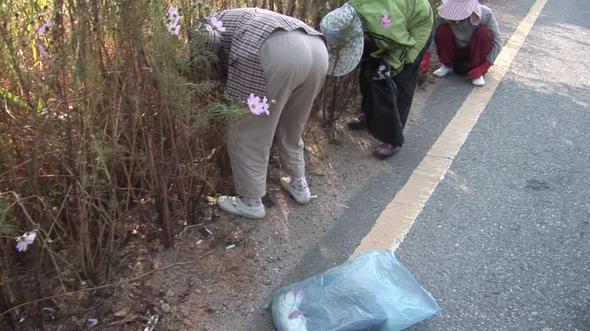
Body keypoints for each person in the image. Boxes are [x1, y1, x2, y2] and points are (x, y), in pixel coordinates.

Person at [203, 8, 359, 219]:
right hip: (316, 48)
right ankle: (299, 184)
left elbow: (206, 53)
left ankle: (250, 201)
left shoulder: (205, 25)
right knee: (293, 123)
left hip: (272, 51)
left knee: (249, 128)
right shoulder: (237, 15)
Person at [341, 0, 434, 159]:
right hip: (386, 29)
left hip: (414, 30)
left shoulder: (385, 18)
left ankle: (393, 139)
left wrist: (390, 66)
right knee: (369, 71)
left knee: (398, 79)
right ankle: (369, 114)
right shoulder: (357, 8)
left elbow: (401, 44)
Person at [420, 0, 502, 86]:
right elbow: (432, 35)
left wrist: (485, 66)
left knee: (484, 33)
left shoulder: (485, 14)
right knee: (441, 30)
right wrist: (426, 56)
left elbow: (498, 42)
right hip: (455, 49)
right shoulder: (443, 16)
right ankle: (448, 65)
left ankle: (476, 69)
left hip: (475, 51)